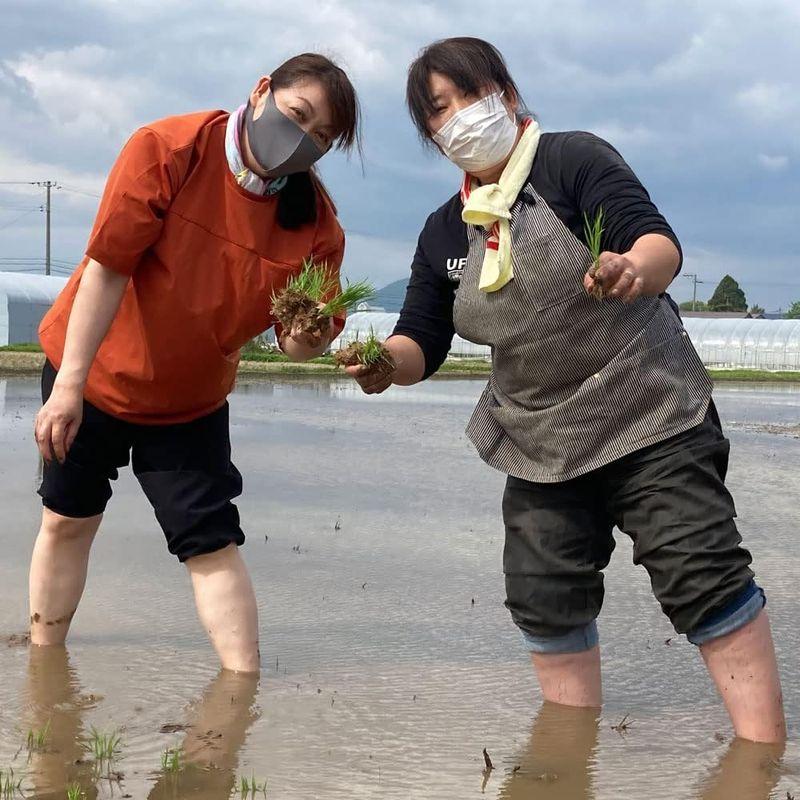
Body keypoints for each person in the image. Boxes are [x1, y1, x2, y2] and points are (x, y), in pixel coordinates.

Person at [347, 37, 785, 742]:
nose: (458, 116)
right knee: (543, 594)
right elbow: (419, 342)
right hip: (539, 441)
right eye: (438, 110)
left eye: (469, 94)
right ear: (430, 135)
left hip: (650, 414)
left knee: (700, 571)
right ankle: (565, 759)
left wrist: (631, 268)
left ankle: (760, 759)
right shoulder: (443, 233)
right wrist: (379, 362)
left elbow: (657, 242)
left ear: (507, 94)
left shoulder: (571, 160)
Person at [31, 53, 361, 673]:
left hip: (189, 401)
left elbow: (296, 344)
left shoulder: (316, 226)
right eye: (298, 115)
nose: (303, 141)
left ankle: (243, 687)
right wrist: (68, 386)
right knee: (67, 520)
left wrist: (308, 334)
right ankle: (45, 668)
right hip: (95, 373)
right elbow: (108, 267)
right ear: (263, 91)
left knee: (211, 542)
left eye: (322, 139)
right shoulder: (170, 148)